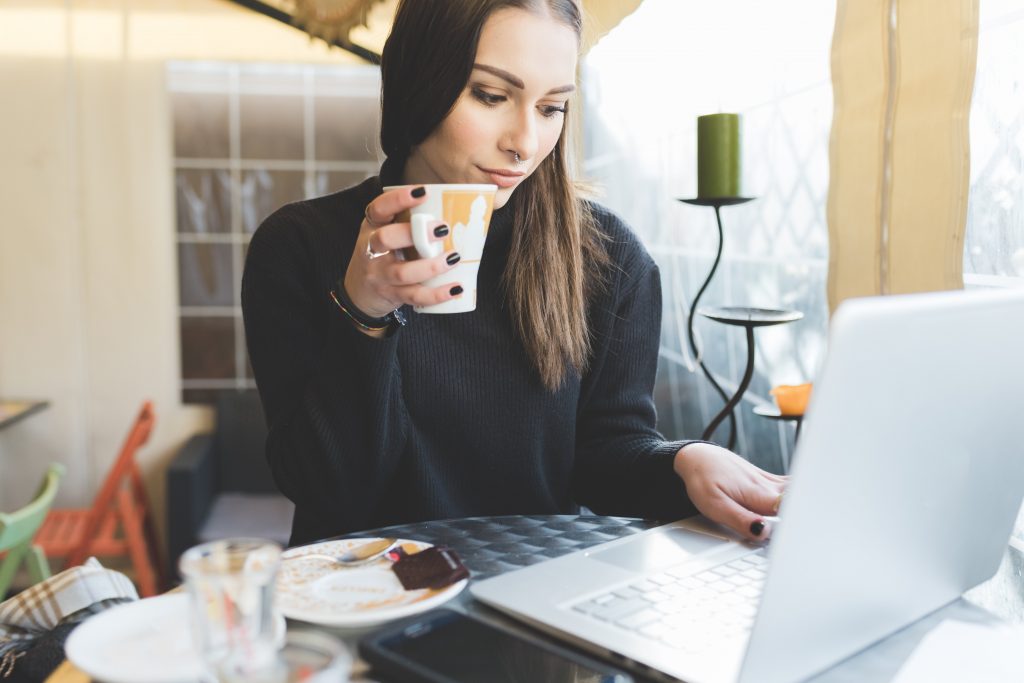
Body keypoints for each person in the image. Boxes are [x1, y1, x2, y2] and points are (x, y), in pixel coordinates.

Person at [242, 0, 786, 548]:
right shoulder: (299, 245)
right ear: (416, 78)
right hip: (365, 603)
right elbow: (325, 491)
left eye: (552, 108)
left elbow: (604, 460)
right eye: (491, 95)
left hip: (530, 592)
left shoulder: (611, 256)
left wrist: (684, 463)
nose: (523, 143)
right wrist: (363, 313)